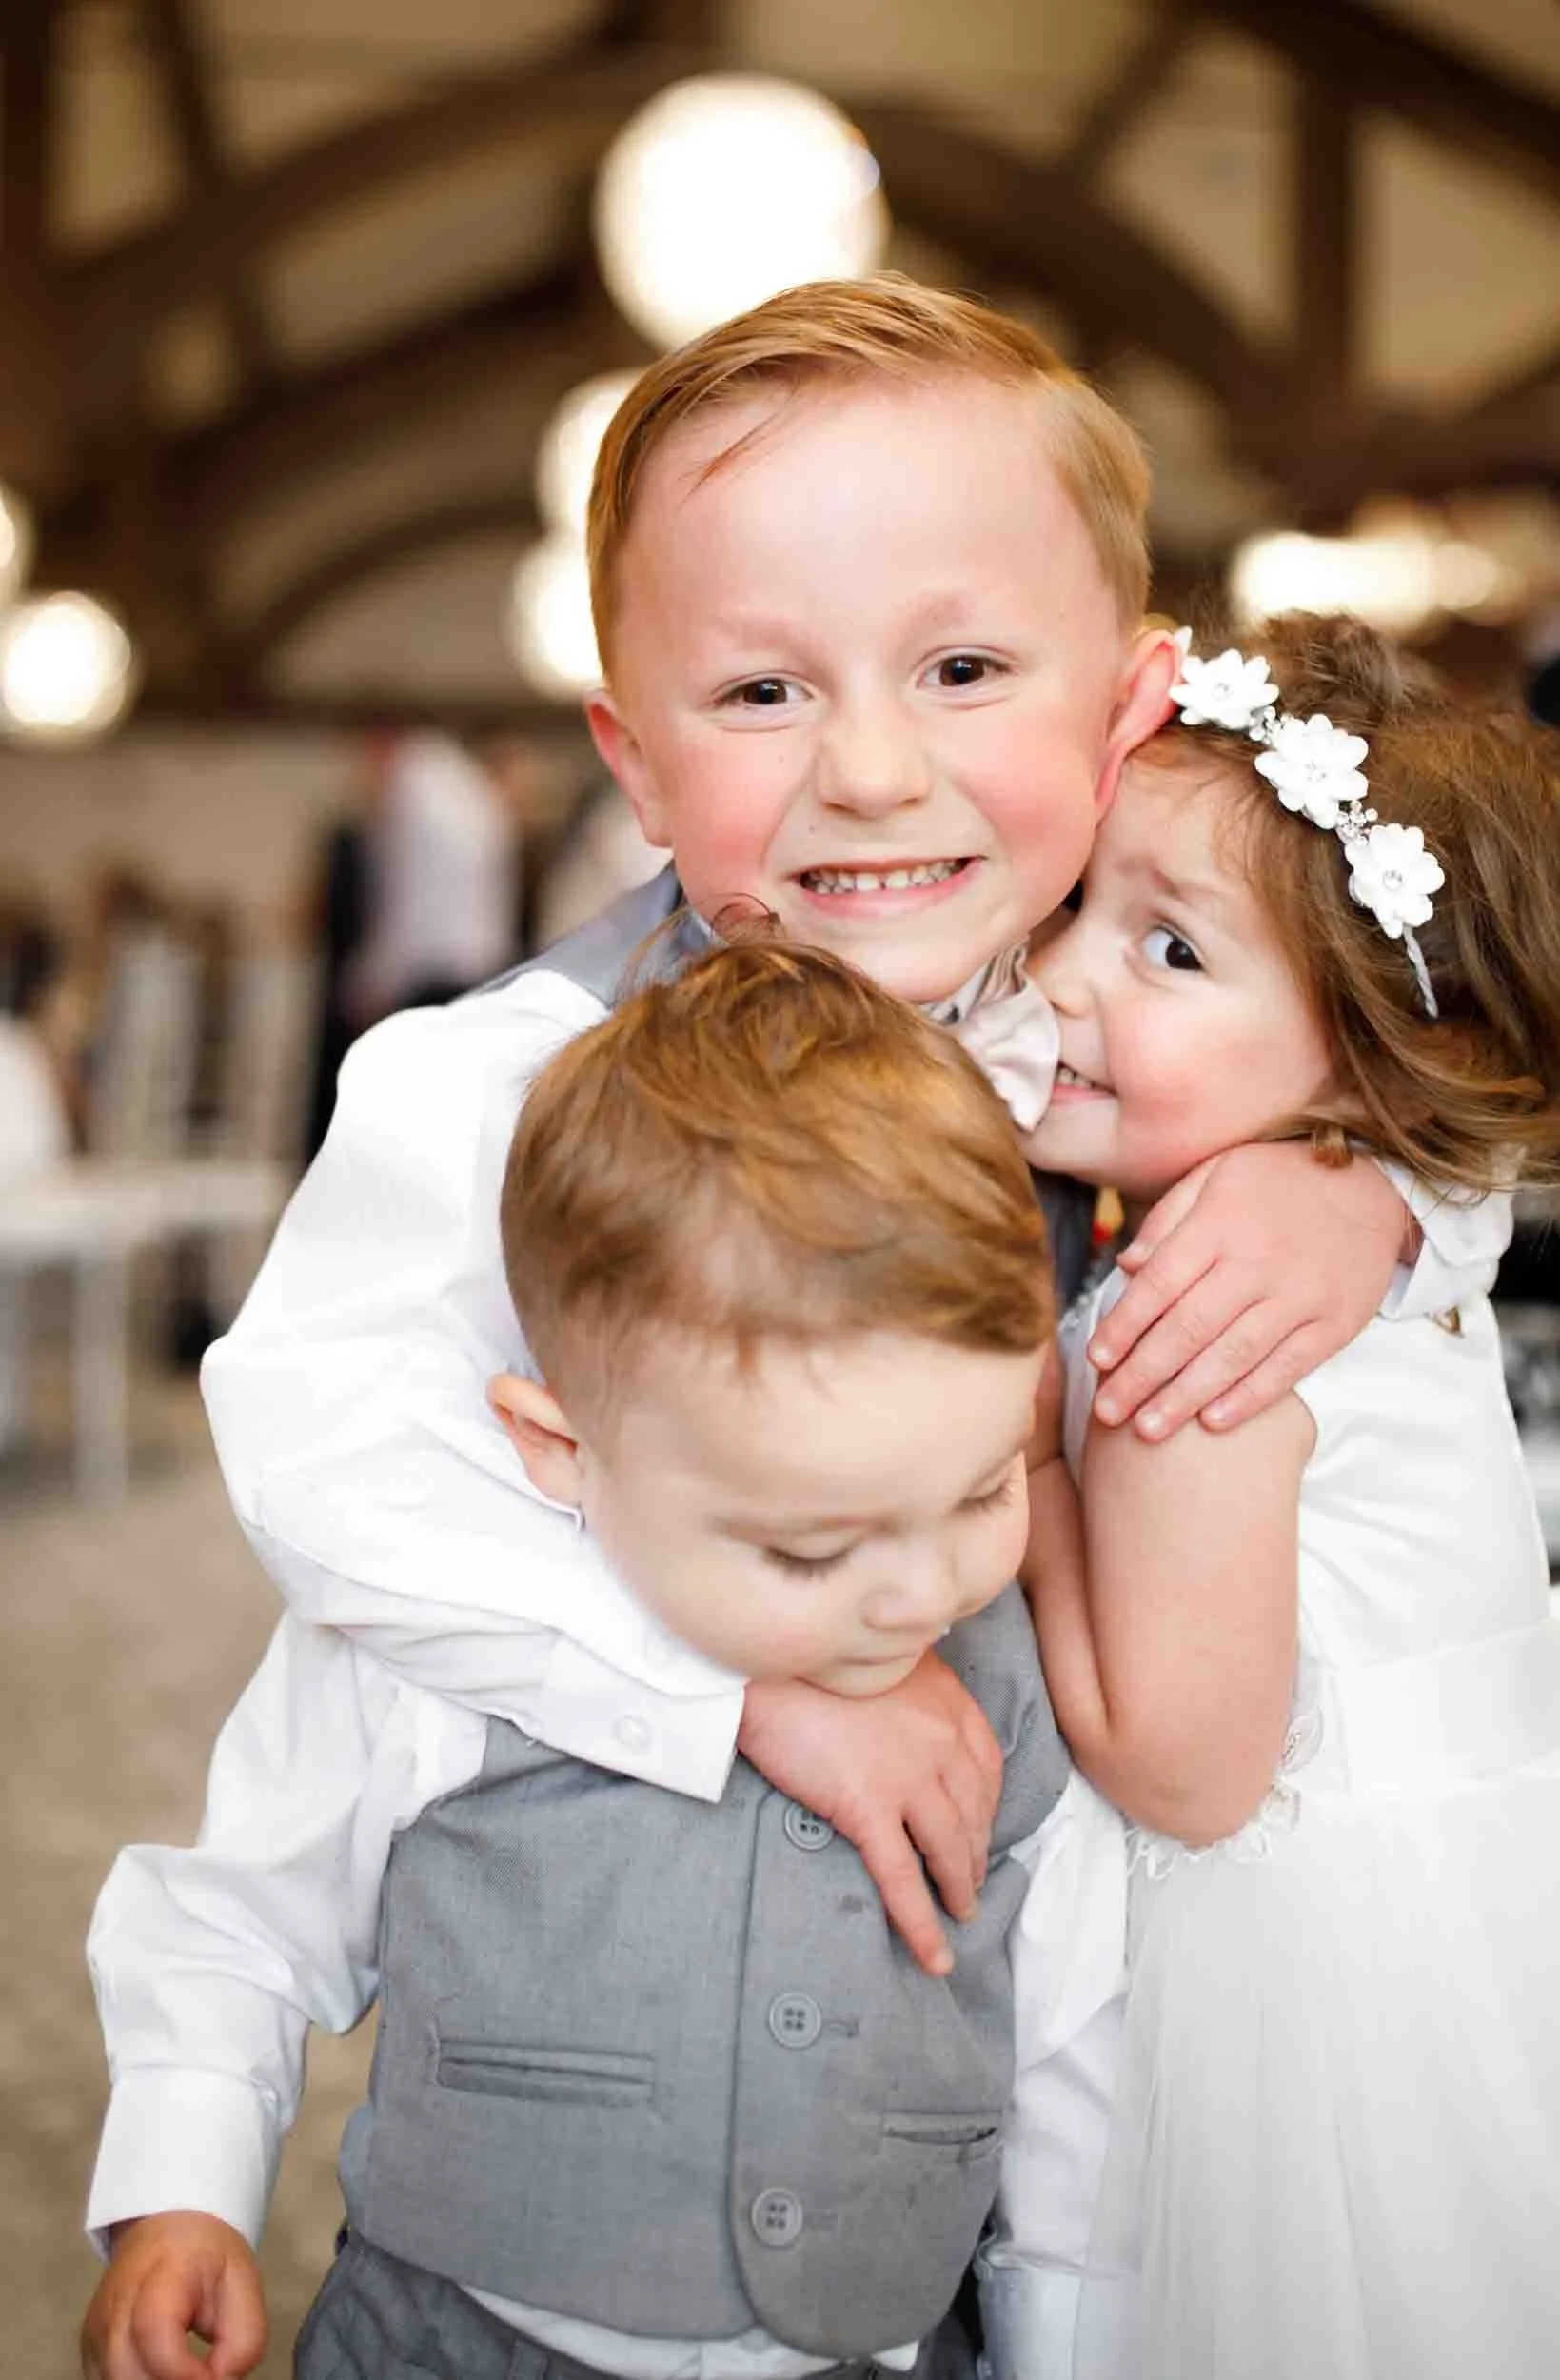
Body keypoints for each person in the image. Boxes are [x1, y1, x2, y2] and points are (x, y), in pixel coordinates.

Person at [196, 276, 1495, 1977]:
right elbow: (326, 1461)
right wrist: (730, 1693)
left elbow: (1426, 1075)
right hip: (637, 2007)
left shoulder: (1094, 1026)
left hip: (1064, 2009)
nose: (874, 769)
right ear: (634, 764)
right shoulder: (499, 1081)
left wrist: (1368, 1192)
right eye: (759, 695)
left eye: (959, 667)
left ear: (1125, 708)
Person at [81, 940, 1070, 2380]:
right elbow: (237, 1919)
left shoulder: (1009, 1680)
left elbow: (1072, 2060)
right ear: (561, 1451)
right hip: (454, 2344)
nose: (916, 1595)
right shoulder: (433, 1644)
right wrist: (181, 2189)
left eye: (985, 1491)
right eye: (806, 1551)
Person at [991, 614, 1560, 2379]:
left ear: (1371, 1058)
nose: (1065, 979)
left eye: (1166, 947)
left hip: (1267, 2025)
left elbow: (1176, 1760)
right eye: (1077, 903)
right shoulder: (1359, 1240)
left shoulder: (1204, 1327)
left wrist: (1019, 1447)